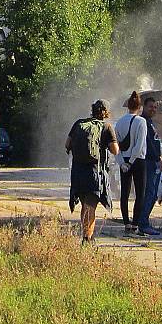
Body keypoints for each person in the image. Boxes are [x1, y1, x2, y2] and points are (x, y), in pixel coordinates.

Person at [65, 99, 119, 244]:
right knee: (91, 206)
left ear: (93, 110)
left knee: (85, 205)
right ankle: (87, 239)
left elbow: (67, 144)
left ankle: (86, 235)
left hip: (78, 173)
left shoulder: (79, 124)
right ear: (106, 112)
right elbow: (115, 150)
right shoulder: (106, 127)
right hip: (95, 173)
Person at [114, 92, 148, 234]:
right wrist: (132, 161)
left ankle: (126, 222)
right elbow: (139, 145)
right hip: (138, 160)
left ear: (127, 106)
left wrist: (122, 162)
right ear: (139, 107)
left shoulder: (119, 122)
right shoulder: (141, 122)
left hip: (124, 160)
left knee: (125, 193)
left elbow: (116, 145)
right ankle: (135, 224)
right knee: (140, 193)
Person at [137, 96, 162, 236]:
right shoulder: (143, 123)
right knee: (150, 193)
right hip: (148, 162)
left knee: (152, 194)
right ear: (143, 107)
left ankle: (143, 221)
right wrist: (157, 159)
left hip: (152, 162)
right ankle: (143, 223)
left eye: (155, 107)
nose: (153, 109)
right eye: (150, 107)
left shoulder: (151, 122)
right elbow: (148, 143)